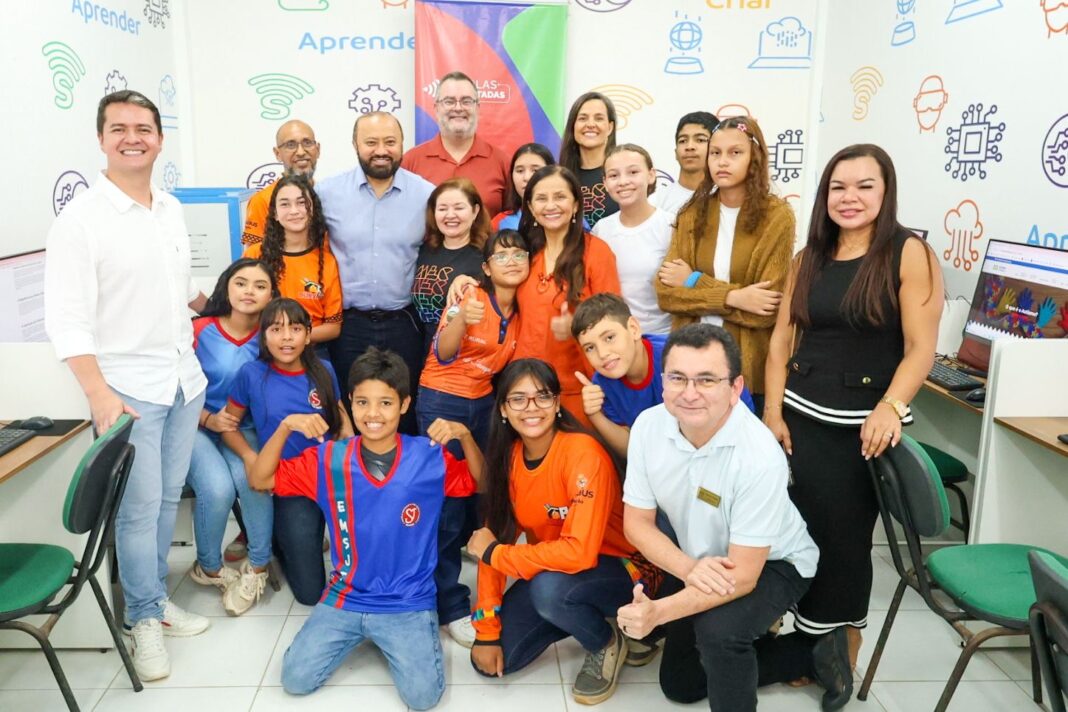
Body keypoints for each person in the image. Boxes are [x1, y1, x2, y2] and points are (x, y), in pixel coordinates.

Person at [44, 90, 210, 682]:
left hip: (182, 381)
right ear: (101, 139)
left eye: (143, 128)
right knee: (137, 512)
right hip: (128, 393)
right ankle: (141, 618)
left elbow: (179, 290)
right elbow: (66, 320)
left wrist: (223, 306)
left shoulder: (169, 208)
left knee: (166, 501)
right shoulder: (81, 220)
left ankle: (154, 601)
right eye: (119, 128)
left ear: (160, 139)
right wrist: (98, 393)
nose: (132, 138)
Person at [762, 144, 942, 682]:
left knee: (843, 541)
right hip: (798, 415)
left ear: (886, 191)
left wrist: (891, 406)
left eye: (865, 186)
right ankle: (804, 639)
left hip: (861, 427)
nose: (850, 197)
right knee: (796, 529)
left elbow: (921, 349)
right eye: (838, 187)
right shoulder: (809, 258)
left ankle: (841, 645)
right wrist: (772, 412)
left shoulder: (909, 253)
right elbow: (781, 342)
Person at [617, 324, 842, 712]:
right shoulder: (648, 427)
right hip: (701, 556)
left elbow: (744, 576)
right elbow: (636, 523)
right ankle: (808, 653)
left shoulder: (758, 455)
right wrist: (690, 569)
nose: (690, 393)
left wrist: (658, 613)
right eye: (678, 378)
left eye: (707, 380)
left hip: (775, 563)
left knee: (719, 633)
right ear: (663, 382)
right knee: (681, 683)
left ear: (736, 387)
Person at [247, 347, 480, 709]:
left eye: (385, 403)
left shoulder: (429, 456)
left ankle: (393, 635)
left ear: (404, 405)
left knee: (422, 698)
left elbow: (482, 482)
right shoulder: (329, 459)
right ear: (350, 405)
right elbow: (260, 480)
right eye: (362, 403)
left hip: (407, 600)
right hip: (346, 596)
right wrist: (285, 427)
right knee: (295, 679)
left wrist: (464, 436)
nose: (373, 414)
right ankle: (364, 633)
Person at [467, 359, 659, 706]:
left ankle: (605, 641)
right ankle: (598, 618)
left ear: (557, 403)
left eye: (542, 396)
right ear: (503, 410)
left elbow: (577, 553)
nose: (531, 407)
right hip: (559, 572)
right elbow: (493, 544)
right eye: (518, 399)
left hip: (629, 571)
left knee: (549, 590)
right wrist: (486, 629)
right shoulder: (509, 458)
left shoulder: (583, 453)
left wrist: (498, 553)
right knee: (497, 658)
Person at [418, 229, 529, 646]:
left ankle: (484, 573)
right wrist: (462, 317)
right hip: (442, 400)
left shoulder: (523, 308)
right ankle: (449, 605)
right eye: (502, 256)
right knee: (447, 504)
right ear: (486, 268)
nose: (511, 261)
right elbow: (444, 352)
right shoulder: (470, 296)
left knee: (485, 491)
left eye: (519, 254)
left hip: (484, 404)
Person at [655, 115, 795, 414]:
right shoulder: (692, 212)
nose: (722, 162)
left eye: (735, 153)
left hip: (746, 372)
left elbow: (765, 311)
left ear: (754, 157)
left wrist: (694, 280)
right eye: (715, 153)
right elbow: (667, 295)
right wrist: (735, 297)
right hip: (690, 366)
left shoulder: (777, 216)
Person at [223, 299, 350, 606]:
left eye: (295, 329)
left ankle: (309, 533)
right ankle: (282, 540)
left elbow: (340, 415)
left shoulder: (324, 370)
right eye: (276, 329)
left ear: (308, 335)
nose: (286, 337)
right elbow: (228, 426)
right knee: (310, 594)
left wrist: (349, 442)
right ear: (263, 336)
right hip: (290, 482)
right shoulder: (251, 374)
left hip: (328, 476)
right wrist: (250, 457)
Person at [317, 111, 434, 434]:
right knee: (349, 412)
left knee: (404, 411)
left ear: (402, 145)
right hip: (347, 326)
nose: (381, 150)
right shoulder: (327, 193)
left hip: (404, 324)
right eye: (371, 142)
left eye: (390, 142)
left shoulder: (427, 195)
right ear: (355, 144)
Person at [187, 259, 278, 615]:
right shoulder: (199, 329)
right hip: (196, 425)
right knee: (217, 488)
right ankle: (208, 568)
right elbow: (174, 388)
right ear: (227, 286)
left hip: (243, 428)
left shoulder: (273, 336)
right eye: (241, 283)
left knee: (254, 480)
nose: (249, 292)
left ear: (271, 295)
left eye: (260, 285)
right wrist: (207, 419)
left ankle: (258, 566)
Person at [570, 293, 755, 459]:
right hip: (663, 465)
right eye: (590, 348)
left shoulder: (677, 355)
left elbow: (737, 412)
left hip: (726, 446)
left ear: (633, 328)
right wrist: (595, 415)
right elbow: (632, 450)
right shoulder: (601, 385)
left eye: (609, 338)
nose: (602, 353)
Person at [243, 174, 342, 346]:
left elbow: (333, 327)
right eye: (285, 204)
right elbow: (241, 312)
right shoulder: (255, 255)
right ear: (274, 213)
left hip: (311, 350)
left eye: (301, 202)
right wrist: (278, 338)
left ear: (313, 209)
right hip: (262, 348)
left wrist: (293, 338)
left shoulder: (327, 261)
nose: (294, 211)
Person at [402, 71, 511, 217]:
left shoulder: (502, 162)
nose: (458, 108)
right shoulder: (411, 162)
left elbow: (512, 219)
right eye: (449, 101)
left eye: (466, 101)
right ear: (436, 108)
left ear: (477, 108)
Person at [593, 143, 673, 335]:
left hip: (662, 337)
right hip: (616, 338)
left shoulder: (671, 225)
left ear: (651, 175)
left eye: (633, 172)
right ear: (605, 183)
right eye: (614, 175)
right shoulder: (601, 230)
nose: (623, 182)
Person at [411, 177, 492, 355]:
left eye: (459, 208)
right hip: (423, 352)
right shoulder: (424, 250)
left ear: (475, 211)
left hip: (465, 355)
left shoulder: (486, 254)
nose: (450, 215)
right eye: (442, 209)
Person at [242, 119, 321, 247]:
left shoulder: (330, 195)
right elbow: (253, 255)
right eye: (291, 145)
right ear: (277, 153)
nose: (301, 152)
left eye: (307, 143)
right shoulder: (261, 200)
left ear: (317, 149)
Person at [559, 92, 619, 228]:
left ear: (610, 127)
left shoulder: (622, 175)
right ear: (573, 126)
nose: (590, 124)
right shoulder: (560, 177)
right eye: (583, 118)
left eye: (599, 118)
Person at [650, 111, 718, 215]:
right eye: (682, 141)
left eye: (700, 140)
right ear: (676, 153)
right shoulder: (655, 202)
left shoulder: (729, 198)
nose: (689, 147)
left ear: (717, 151)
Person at [492, 142, 555, 231]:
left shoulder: (563, 215)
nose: (527, 177)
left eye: (535, 170)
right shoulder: (500, 222)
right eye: (520, 171)